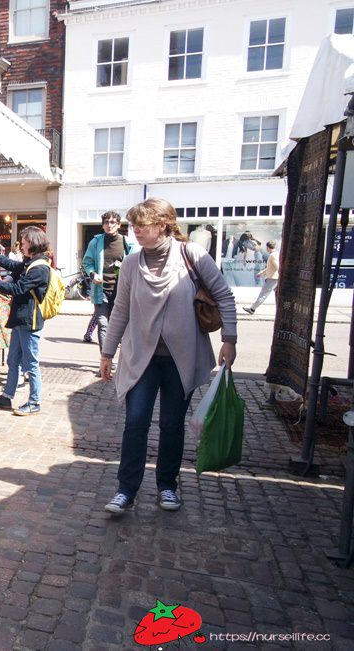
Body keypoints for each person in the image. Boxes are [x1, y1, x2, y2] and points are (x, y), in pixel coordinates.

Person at [100, 198, 237, 515]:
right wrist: (108, 352)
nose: (135, 231)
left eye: (141, 225)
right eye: (132, 225)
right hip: (141, 358)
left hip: (181, 358)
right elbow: (120, 310)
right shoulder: (132, 264)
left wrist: (229, 340)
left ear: (162, 225)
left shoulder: (193, 255)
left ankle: (167, 486)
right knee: (135, 423)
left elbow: (224, 296)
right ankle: (126, 490)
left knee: (172, 424)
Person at [0, 226, 51, 416]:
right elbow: (13, 266)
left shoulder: (40, 268)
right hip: (20, 319)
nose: (21, 246)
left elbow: (17, 289)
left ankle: (35, 402)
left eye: (23, 243)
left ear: (33, 243)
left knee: (31, 363)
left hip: (29, 321)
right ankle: (7, 396)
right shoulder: (32, 262)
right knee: (13, 360)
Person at [82, 211, 137, 357]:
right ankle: (105, 360)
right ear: (102, 225)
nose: (109, 225)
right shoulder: (95, 242)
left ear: (119, 224)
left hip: (121, 292)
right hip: (101, 290)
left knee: (121, 327)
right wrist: (93, 274)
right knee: (103, 324)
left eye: (113, 222)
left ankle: (124, 362)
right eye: (106, 222)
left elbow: (136, 265)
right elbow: (87, 263)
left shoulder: (128, 243)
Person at [243, 240, 278, 314]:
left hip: (272, 278)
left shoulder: (272, 255)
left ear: (268, 248)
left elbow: (277, 267)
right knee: (277, 295)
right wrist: (262, 272)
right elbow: (271, 267)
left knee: (263, 294)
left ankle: (252, 309)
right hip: (274, 278)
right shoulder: (276, 254)